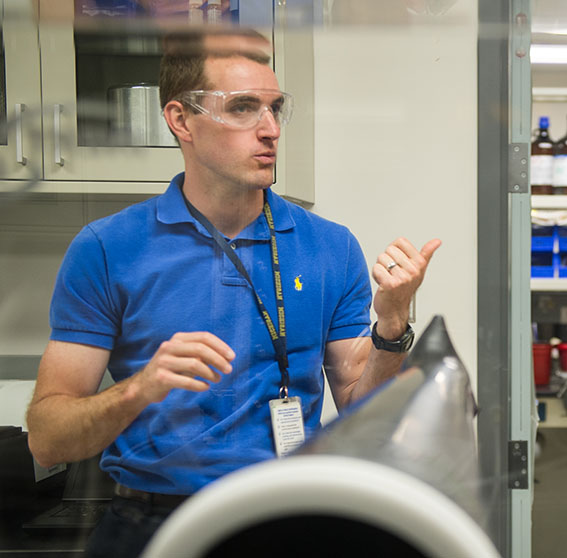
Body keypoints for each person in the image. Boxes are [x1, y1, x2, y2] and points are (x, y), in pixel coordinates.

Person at [25, 29, 440, 558]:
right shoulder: (109, 248)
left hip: (285, 516)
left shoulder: (329, 246)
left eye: (274, 109)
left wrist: (392, 325)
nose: (269, 130)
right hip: (153, 521)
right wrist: (138, 390)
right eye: (243, 108)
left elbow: (364, 411)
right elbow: (47, 438)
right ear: (181, 121)